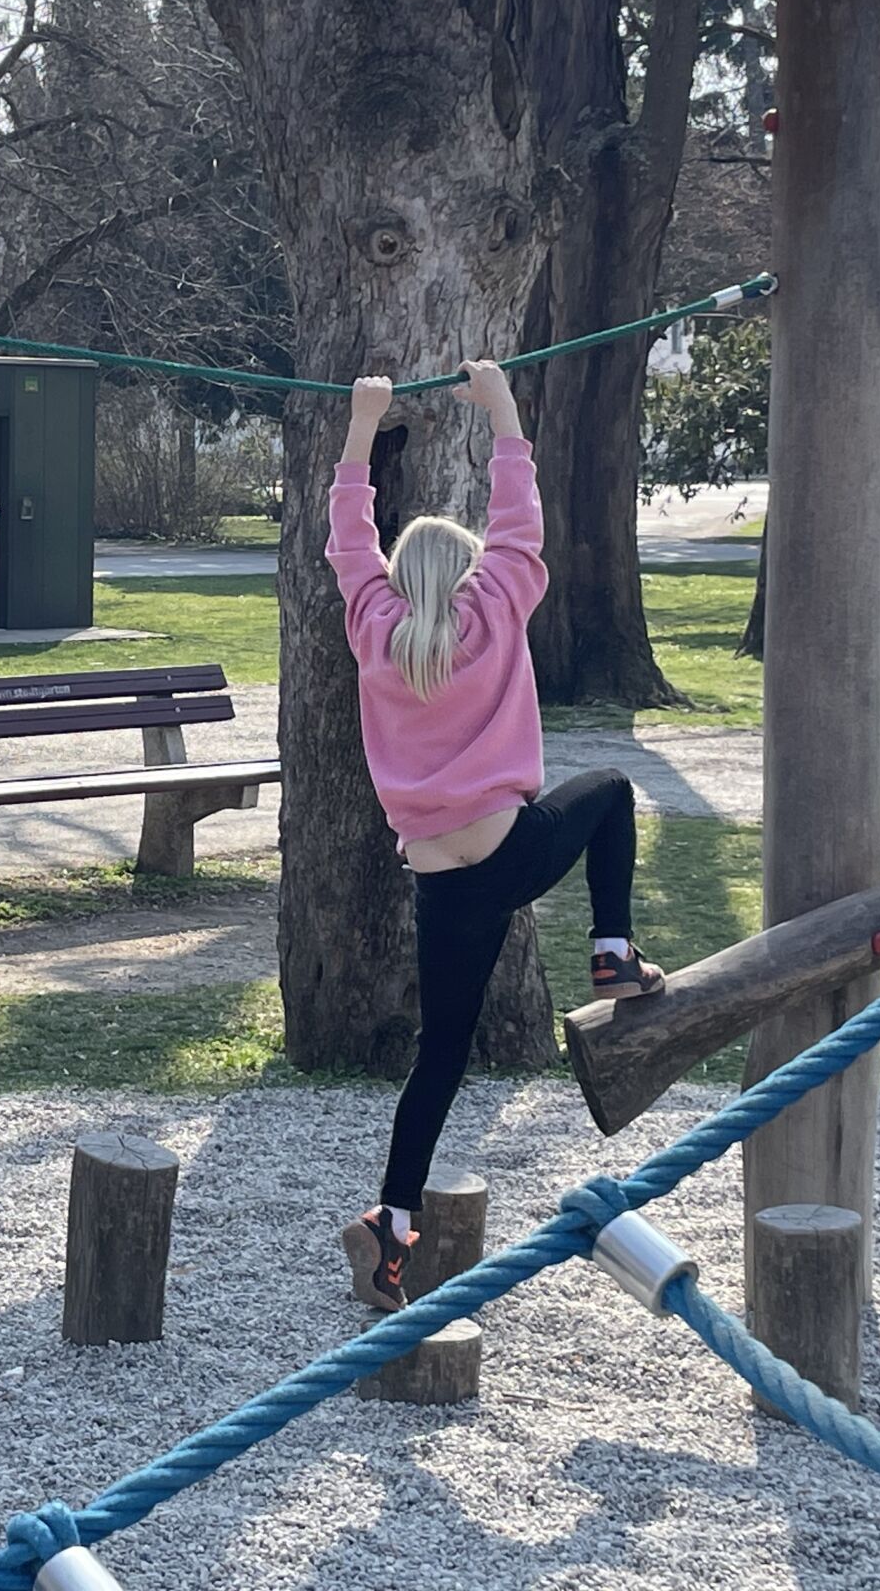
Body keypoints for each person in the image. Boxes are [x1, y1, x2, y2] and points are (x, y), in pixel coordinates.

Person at [326, 360, 665, 1310]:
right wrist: (503, 406)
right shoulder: (496, 604)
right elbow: (520, 516)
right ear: (468, 572)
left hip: (441, 883)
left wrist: (363, 425)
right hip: (508, 852)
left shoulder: (373, 625)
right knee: (611, 793)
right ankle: (612, 952)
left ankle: (392, 1222)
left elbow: (348, 533)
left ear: (400, 578)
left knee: (441, 1054)